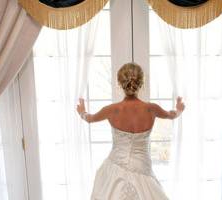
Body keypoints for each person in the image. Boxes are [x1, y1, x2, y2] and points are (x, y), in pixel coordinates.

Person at [76, 62, 185, 200]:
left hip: (115, 167)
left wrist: (82, 112)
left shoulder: (112, 110)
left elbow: (90, 118)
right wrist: (179, 108)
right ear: (141, 83)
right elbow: (172, 115)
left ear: (120, 83)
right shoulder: (151, 109)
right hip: (142, 167)